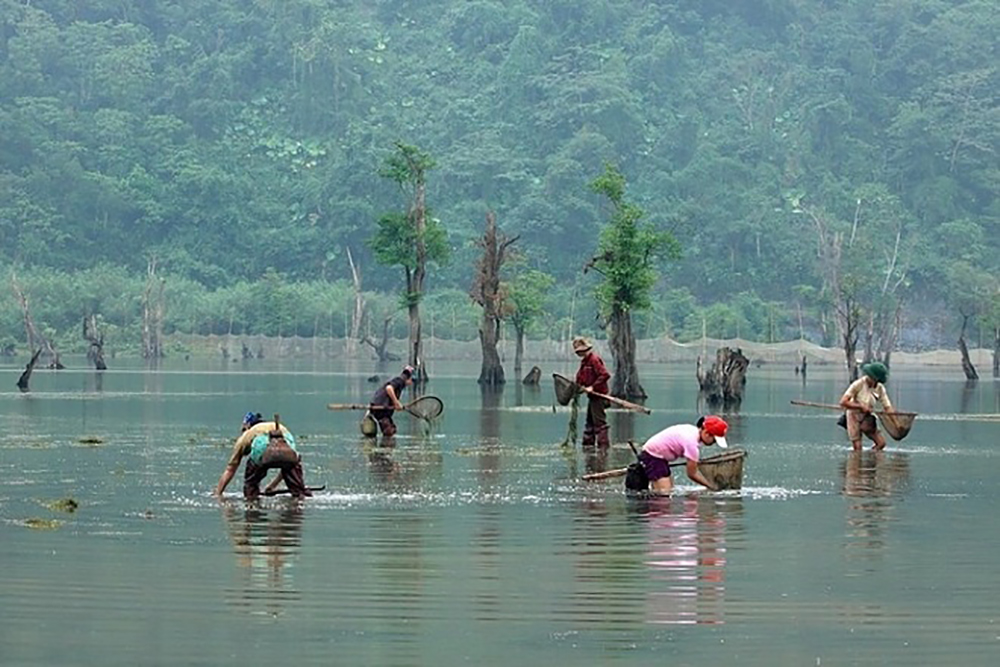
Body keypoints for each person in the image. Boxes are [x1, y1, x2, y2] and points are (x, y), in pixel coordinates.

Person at [214, 412, 311, 500]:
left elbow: (230, 469)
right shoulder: (281, 428)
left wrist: (218, 493)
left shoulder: (247, 434)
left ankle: (251, 499)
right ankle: (299, 498)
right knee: (298, 490)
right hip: (287, 444)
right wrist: (272, 486)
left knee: (251, 484)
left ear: (247, 426)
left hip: (262, 448)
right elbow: (289, 462)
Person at [627, 415, 729, 493]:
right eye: (714, 440)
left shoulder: (692, 431)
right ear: (706, 433)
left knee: (669, 489)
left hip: (659, 457)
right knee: (664, 493)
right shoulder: (691, 443)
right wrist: (710, 486)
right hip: (653, 456)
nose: (713, 443)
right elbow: (692, 474)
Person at [839, 361, 894, 451]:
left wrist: (895, 421)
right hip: (853, 416)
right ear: (872, 377)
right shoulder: (858, 384)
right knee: (857, 447)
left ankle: (871, 459)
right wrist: (860, 406)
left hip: (867, 416)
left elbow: (887, 406)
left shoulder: (880, 388)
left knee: (881, 444)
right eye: (876, 380)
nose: (877, 383)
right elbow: (843, 402)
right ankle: (858, 462)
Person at [572, 336, 611, 448]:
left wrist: (593, 387)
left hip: (599, 396)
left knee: (599, 423)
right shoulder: (585, 362)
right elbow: (580, 378)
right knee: (590, 423)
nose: (579, 353)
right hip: (592, 397)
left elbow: (605, 375)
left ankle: (603, 447)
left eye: (580, 351)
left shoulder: (594, 360)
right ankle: (588, 446)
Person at [368, 365, 414, 437]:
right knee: (389, 431)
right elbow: (389, 388)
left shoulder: (400, 383)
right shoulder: (400, 380)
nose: (411, 383)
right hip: (380, 408)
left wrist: (396, 405)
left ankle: (386, 445)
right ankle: (387, 446)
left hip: (381, 409)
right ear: (409, 378)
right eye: (412, 380)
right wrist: (396, 403)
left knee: (392, 430)